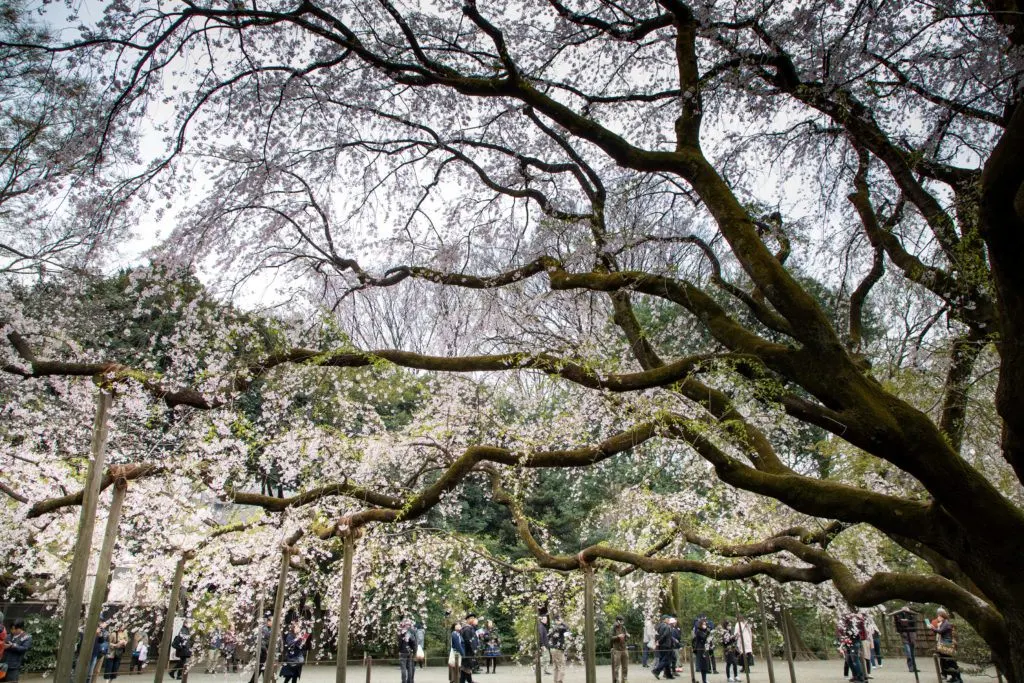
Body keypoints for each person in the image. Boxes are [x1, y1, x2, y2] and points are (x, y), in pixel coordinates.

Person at [929, 608, 962, 683]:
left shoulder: (946, 623)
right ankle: (954, 677)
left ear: (943, 617)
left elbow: (940, 631)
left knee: (951, 662)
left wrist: (932, 628)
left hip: (947, 644)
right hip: (945, 644)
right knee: (947, 662)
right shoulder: (943, 623)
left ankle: (958, 679)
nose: (938, 618)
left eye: (939, 617)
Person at [837, 612, 866, 683]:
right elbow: (841, 632)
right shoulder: (843, 621)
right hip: (847, 642)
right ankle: (855, 675)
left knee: (854, 659)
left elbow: (856, 631)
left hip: (854, 641)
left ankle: (860, 677)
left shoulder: (855, 619)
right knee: (849, 660)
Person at [891, 606, 919, 673]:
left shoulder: (911, 615)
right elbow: (898, 624)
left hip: (912, 636)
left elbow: (914, 623)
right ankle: (910, 667)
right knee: (908, 653)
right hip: (905, 636)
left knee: (912, 653)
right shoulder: (899, 616)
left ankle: (914, 667)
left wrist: (908, 620)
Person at [651, 615, 677, 680]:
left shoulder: (658, 626)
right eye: (668, 619)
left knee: (663, 660)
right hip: (666, 645)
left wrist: (658, 642)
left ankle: (668, 675)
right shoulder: (667, 626)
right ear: (664, 619)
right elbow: (665, 635)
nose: (669, 620)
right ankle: (656, 670)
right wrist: (659, 641)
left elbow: (656, 635)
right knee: (667, 660)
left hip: (661, 646)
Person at [250, 613, 272, 683]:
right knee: (262, 667)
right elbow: (260, 641)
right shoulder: (263, 629)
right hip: (263, 652)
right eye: (272, 621)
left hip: (267, 652)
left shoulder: (270, 629)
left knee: (262, 668)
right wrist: (266, 650)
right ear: (268, 621)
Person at [547, 616, 569, 683]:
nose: (561, 621)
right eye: (560, 620)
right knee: (561, 665)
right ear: (556, 621)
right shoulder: (561, 627)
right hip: (558, 649)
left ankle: (555, 681)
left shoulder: (552, 628)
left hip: (552, 649)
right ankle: (560, 681)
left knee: (555, 667)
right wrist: (562, 623)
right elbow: (567, 628)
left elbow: (548, 636)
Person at [460, 615, 480, 683]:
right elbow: (468, 642)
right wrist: (473, 651)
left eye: (474, 618)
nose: (473, 619)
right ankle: (470, 681)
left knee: (466, 669)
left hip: (469, 652)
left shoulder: (470, 628)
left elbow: (476, 632)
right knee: (466, 668)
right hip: (467, 652)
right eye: (472, 618)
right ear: (467, 619)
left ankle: (470, 681)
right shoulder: (467, 629)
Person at [691, 618, 711, 683]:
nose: (705, 625)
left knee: (705, 665)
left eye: (705, 624)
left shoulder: (704, 631)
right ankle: (704, 680)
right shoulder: (698, 631)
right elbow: (703, 638)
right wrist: (708, 633)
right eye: (703, 624)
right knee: (703, 665)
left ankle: (704, 679)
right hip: (700, 649)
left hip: (705, 648)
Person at [610, 615, 629, 683]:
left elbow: (626, 637)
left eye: (622, 621)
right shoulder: (613, 627)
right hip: (617, 650)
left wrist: (627, 636)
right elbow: (611, 638)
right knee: (616, 667)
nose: (622, 622)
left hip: (624, 649)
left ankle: (624, 679)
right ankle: (616, 680)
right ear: (617, 621)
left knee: (625, 666)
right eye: (621, 621)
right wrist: (618, 636)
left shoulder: (623, 627)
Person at [398, 618, 417, 683]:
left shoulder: (401, 631)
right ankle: (410, 681)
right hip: (410, 651)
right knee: (410, 668)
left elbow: (399, 643)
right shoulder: (412, 631)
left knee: (403, 668)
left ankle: (404, 681)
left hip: (403, 651)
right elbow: (414, 643)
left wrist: (399, 650)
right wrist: (414, 652)